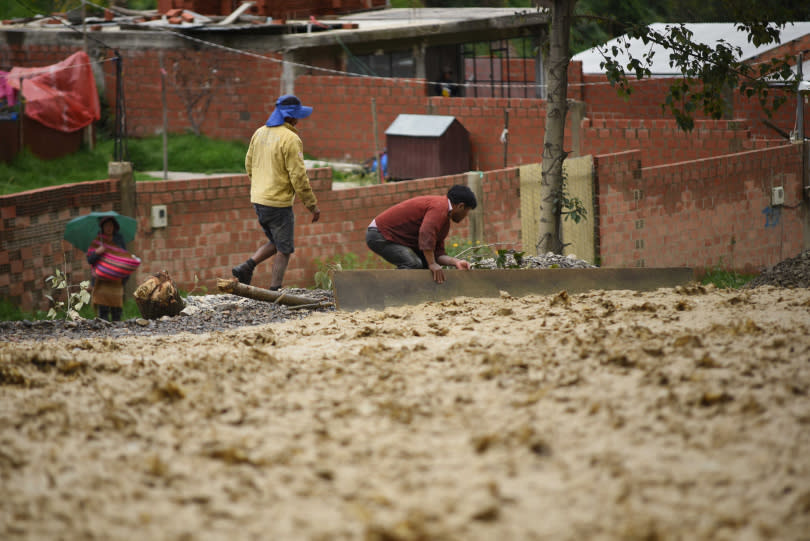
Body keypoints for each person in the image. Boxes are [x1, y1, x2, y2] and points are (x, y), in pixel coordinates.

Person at [232, 94, 321, 290]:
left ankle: (246, 267)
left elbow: (249, 164)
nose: (299, 120)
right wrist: (312, 205)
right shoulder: (291, 139)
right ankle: (275, 289)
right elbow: (299, 176)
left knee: (276, 240)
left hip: (258, 200)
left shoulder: (259, 133)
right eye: (297, 116)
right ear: (291, 118)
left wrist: (260, 187)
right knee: (285, 248)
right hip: (278, 203)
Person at [366, 184, 477, 284]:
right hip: (380, 234)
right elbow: (426, 233)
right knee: (414, 264)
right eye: (467, 211)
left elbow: (438, 254)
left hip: (391, 237)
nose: (466, 215)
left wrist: (456, 262)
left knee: (426, 265)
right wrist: (432, 263)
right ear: (461, 206)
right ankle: (386, 290)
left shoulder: (444, 220)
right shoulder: (439, 207)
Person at [86, 216, 127, 321]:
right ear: (102, 227)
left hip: (115, 281)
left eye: (111, 225)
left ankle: (117, 330)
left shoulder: (119, 240)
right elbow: (90, 259)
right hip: (101, 281)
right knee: (103, 311)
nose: (109, 228)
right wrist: (97, 252)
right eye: (106, 225)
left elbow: (125, 257)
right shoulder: (97, 241)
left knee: (116, 310)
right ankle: (104, 331)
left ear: (114, 227)